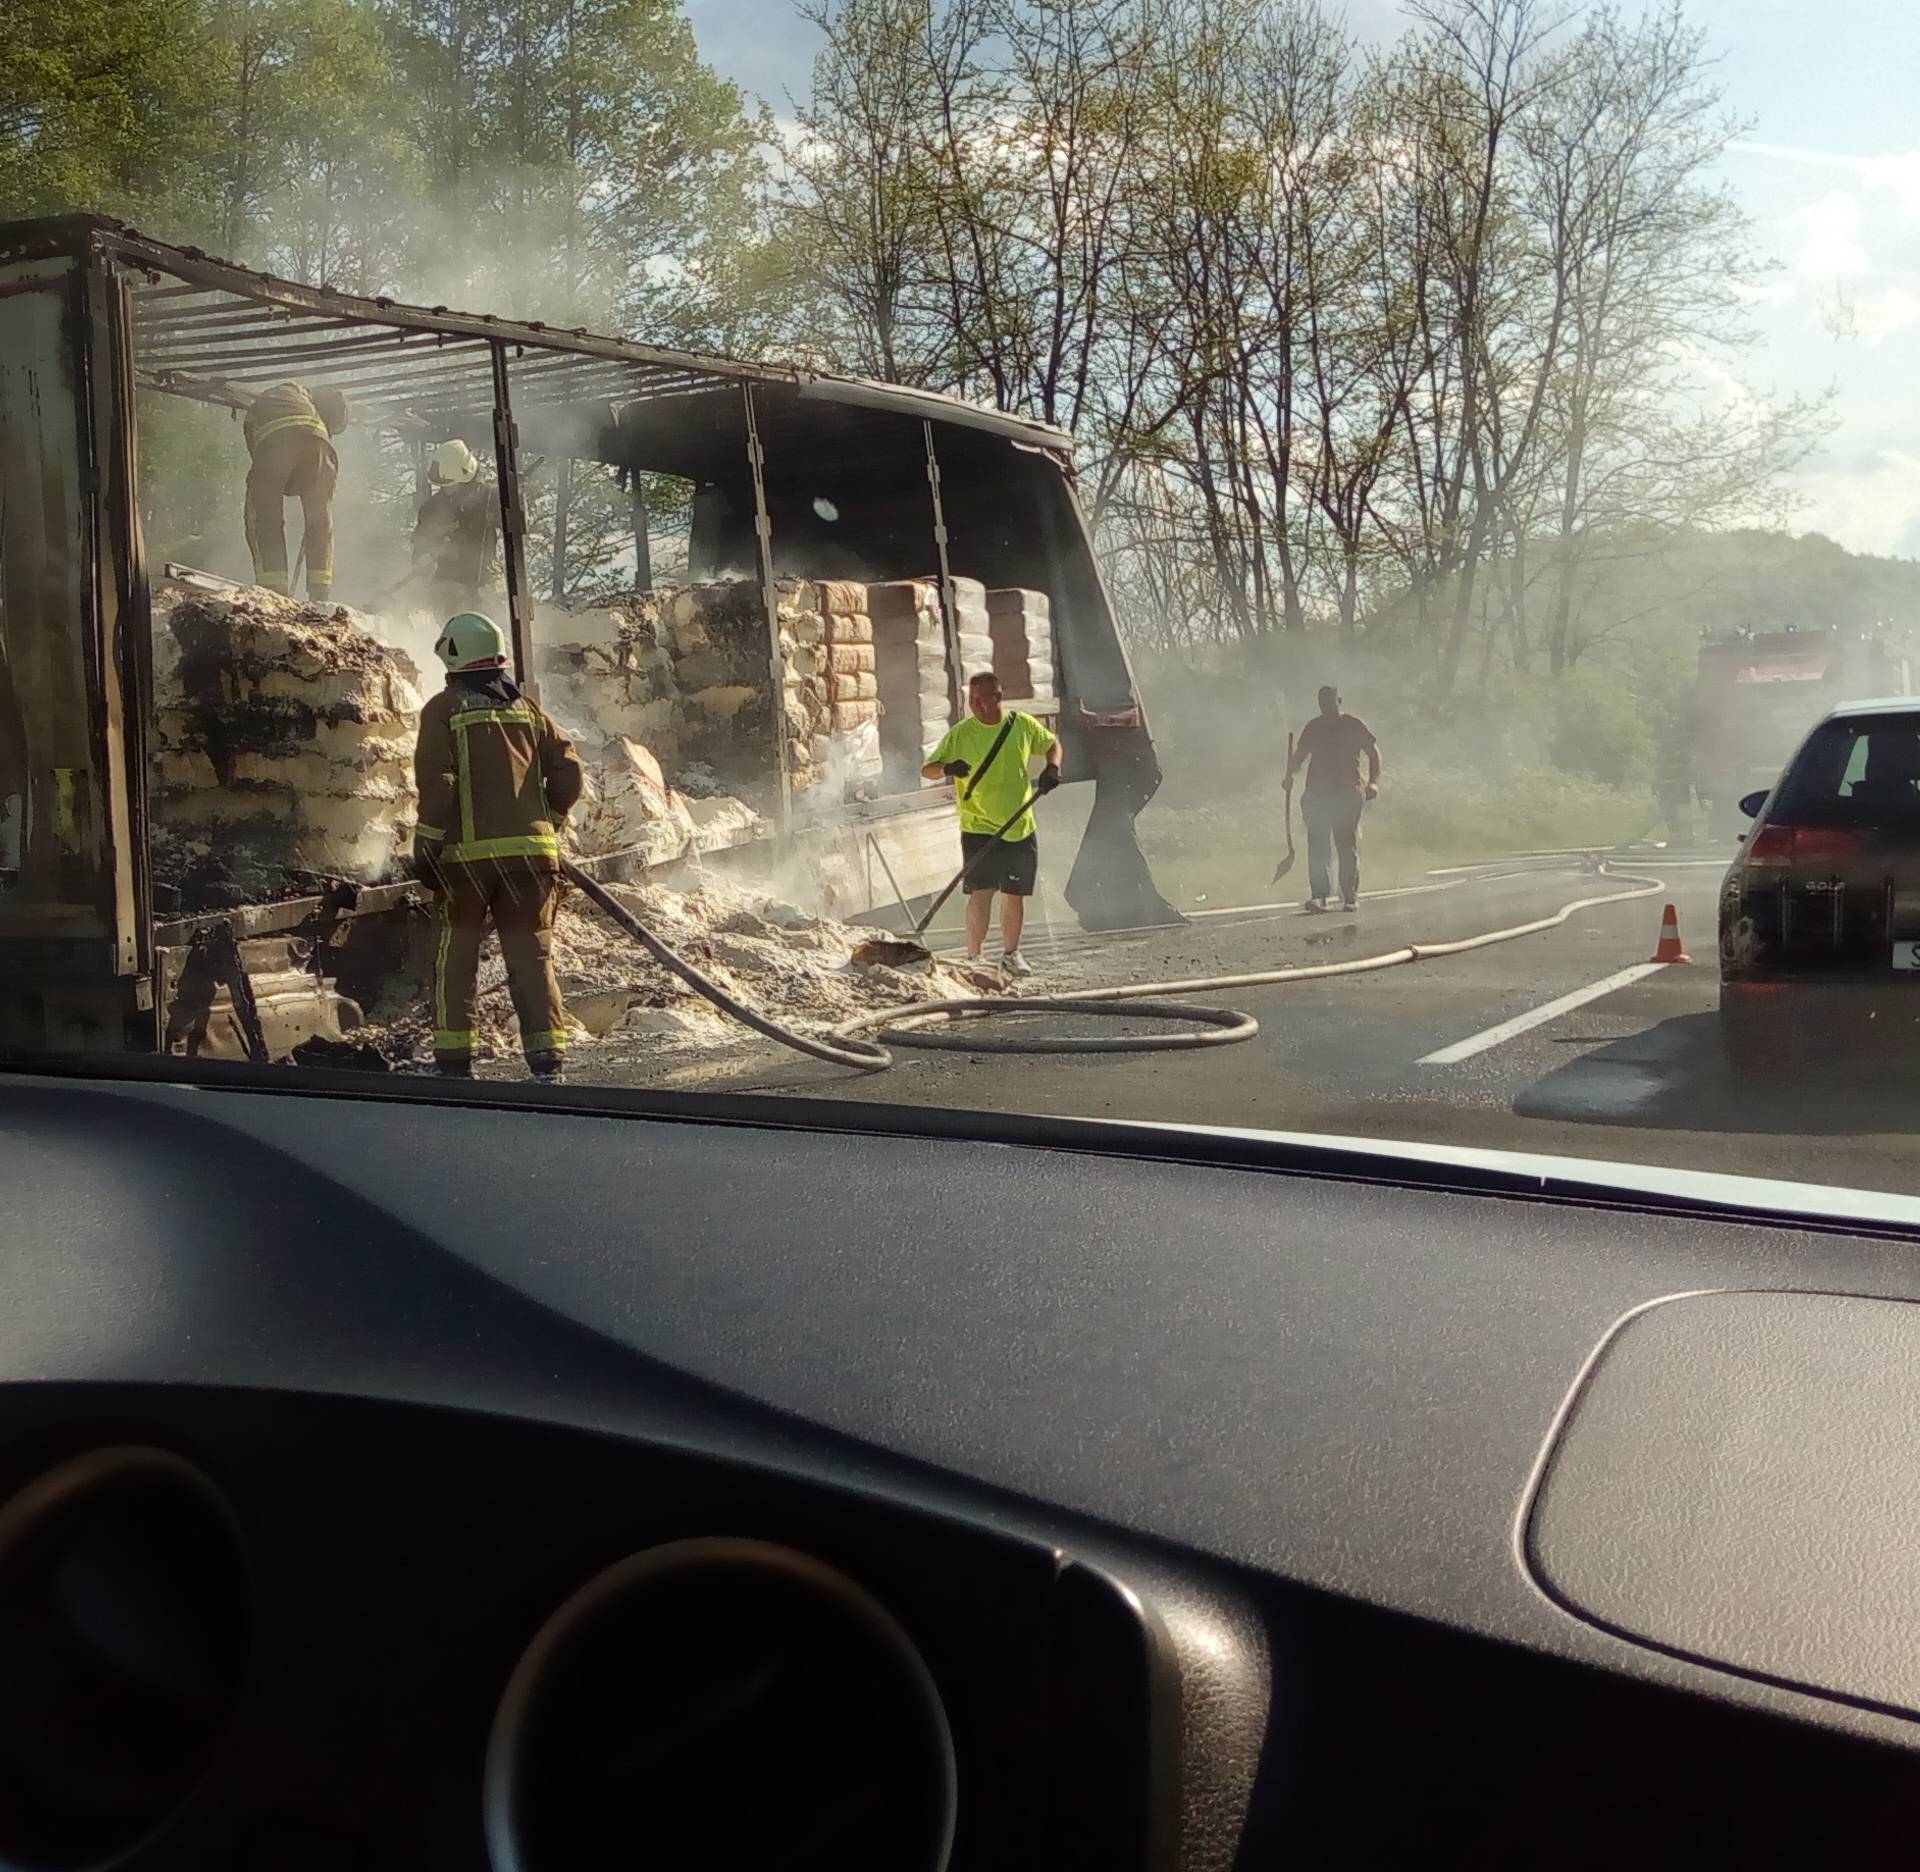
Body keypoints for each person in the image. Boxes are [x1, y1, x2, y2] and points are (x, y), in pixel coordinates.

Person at [412, 612, 585, 1081]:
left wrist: (425, 848)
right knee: (531, 955)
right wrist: (548, 819)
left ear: (452, 658)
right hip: (531, 860)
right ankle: (548, 1061)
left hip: (467, 862)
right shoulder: (528, 710)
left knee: (457, 953)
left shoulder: (444, 710)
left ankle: (454, 1061)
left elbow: (439, 784)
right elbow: (569, 771)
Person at [923, 671, 1061, 975]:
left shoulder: (1021, 725)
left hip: (1019, 825)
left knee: (1015, 894)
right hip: (979, 827)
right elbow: (929, 769)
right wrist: (948, 767)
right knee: (980, 893)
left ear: (998, 697)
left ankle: (1011, 954)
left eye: (981, 699)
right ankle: (974, 957)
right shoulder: (961, 733)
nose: (976, 706)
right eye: (971, 700)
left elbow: (1052, 744)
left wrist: (1052, 767)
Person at [243, 382, 347, 602]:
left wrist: (276, 479)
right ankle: (320, 597)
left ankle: (274, 593)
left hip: (275, 439)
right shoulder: (314, 415)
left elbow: (259, 457)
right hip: (319, 445)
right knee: (320, 522)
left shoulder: (276, 397)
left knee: (264, 517)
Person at [1287, 684, 1380, 913]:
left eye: (1329, 702)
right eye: (1322, 703)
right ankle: (1320, 895)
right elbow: (1300, 755)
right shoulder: (1314, 727)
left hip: (1347, 792)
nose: (1325, 707)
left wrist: (1373, 782)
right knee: (1317, 843)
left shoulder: (1353, 725)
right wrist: (1289, 774)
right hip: (1317, 794)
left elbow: (1373, 752)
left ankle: (1349, 894)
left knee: (1345, 842)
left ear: (1339, 701)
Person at [410, 438, 499, 613]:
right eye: (442, 484)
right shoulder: (431, 508)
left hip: (485, 583)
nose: (445, 489)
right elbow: (420, 541)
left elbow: (513, 525)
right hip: (447, 585)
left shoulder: (488, 498)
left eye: (450, 483)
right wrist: (422, 556)